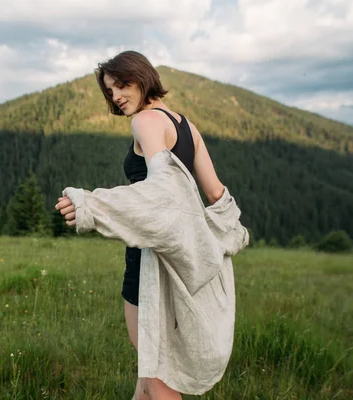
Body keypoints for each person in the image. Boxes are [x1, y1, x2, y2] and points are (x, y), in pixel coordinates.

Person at [55, 51, 230, 400]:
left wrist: (92, 206)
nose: (116, 96)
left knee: (156, 377)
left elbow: (161, 188)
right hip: (180, 261)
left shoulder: (145, 122)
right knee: (147, 375)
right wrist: (228, 235)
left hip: (151, 263)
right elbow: (215, 192)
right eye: (109, 91)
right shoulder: (186, 125)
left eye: (121, 85)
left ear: (141, 76)